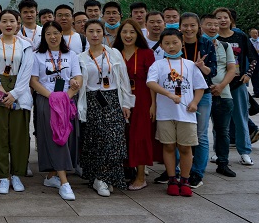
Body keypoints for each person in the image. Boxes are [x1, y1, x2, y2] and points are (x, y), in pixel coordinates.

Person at [146, 28, 207, 197]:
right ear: (161, 45)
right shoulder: (158, 65)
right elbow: (150, 82)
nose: (171, 46)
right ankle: (172, 179)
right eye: (167, 43)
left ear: (182, 43)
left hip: (186, 114)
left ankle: (185, 180)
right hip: (165, 113)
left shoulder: (190, 65)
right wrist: (169, 94)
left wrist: (194, 102)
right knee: (168, 146)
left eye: (175, 42)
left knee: (186, 147)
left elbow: (200, 87)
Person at [78, 19, 135, 196]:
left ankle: (106, 177)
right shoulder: (81, 58)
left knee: (115, 140)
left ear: (103, 33)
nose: (95, 35)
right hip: (93, 101)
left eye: (98, 31)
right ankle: (99, 178)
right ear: (85, 34)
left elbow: (124, 79)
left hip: (113, 99)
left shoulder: (114, 53)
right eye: (91, 31)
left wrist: (126, 103)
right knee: (97, 140)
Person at [30, 20, 83, 201]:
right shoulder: (37, 55)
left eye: (56, 33)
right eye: (48, 34)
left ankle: (51, 176)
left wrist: (68, 94)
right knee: (56, 138)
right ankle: (64, 183)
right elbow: (34, 81)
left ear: (62, 34)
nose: (52, 37)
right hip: (47, 100)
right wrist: (53, 97)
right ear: (43, 37)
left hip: (67, 100)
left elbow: (78, 77)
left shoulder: (71, 54)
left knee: (68, 137)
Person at [0, 9, 34, 194]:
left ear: (18, 23)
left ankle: (17, 174)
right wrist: (1, 90)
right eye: (4, 21)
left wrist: (15, 93)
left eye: (12, 21)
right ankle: (3, 176)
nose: (8, 24)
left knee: (19, 136)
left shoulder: (26, 45)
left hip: (19, 90)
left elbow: (27, 71)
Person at [112, 18, 155, 190]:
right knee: (122, 134)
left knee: (140, 135)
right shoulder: (114, 53)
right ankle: (124, 171)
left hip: (142, 99)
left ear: (138, 34)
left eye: (132, 32)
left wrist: (153, 105)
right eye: (124, 32)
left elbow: (152, 81)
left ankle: (140, 176)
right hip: (120, 98)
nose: (128, 35)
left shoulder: (146, 53)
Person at [214, 8, 258, 166]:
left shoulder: (240, 36)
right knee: (218, 121)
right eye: (219, 18)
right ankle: (219, 152)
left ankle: (245, 151)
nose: (222, 20)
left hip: (238, 83)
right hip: (219, 84)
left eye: (225, 17)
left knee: (240, 118)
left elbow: (253, 58)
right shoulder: (213, 38)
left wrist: (248, 74)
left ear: (230, 19)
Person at [179, 12, 216, 189]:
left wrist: (202, 67)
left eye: (192, 25)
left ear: (198, 27)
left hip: (203, 94)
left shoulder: (206, 43)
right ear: (180, 27)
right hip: (180, 93)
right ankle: (177, 170)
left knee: (200, 134)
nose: (189, 29)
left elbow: (213, 72)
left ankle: (197, 172)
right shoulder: (175, 42)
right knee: (179, 133)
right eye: (185, 25)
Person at [202, 14, 238, 177]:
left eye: (215, 25)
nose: (213, 28)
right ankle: (197, 165)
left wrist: (221, 85)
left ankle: (223, 163)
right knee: (199, 132)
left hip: (223, 94)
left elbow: (231, 69)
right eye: (209, 24)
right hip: (201, 94)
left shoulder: (225, 46)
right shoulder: (197, 44)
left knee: (223, 131)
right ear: (201, 26)